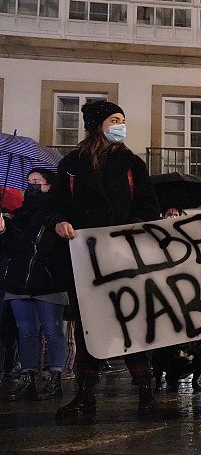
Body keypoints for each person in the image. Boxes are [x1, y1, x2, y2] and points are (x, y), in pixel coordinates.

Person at [50, 100, 162, 417]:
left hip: (121, 258)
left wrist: (126, 232)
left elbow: (147, 208)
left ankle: (145, 391)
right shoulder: (71, 164)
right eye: (114, 120)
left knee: (131, 323)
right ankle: (86, 394)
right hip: (83, 260)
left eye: (122, 120)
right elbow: (56, 206)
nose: (120, 125)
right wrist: (60, 222)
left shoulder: (132, 164)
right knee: (88, 326)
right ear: (98, 124)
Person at [0, 169, 69, 400]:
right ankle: (28, 378)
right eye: (29, 182)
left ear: (49, 186)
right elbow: (10, 248)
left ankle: (55, 378)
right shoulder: (20, 215)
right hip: (19, 282)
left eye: (37, 182)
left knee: (52, 330)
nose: (32, 186)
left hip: (49, 283)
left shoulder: (58, 215)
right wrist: (2, 230)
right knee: (26, 332)